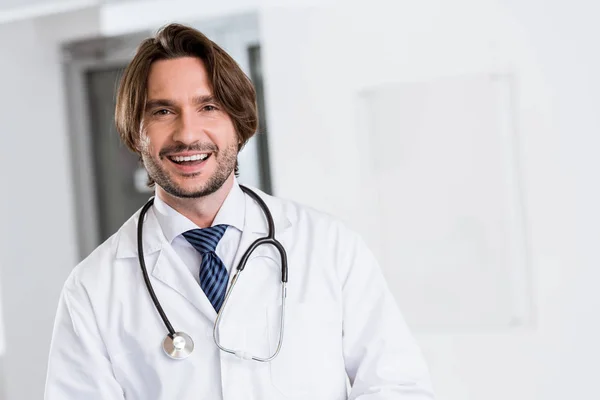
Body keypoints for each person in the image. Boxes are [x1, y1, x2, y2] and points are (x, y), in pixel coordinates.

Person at [44, 23, 435, 399]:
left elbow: (397, 388)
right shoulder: (93, 289)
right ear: (135, 130)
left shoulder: (330, 247)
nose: (187, 133)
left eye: (208, 106)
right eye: (163, 111)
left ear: (239, 121)